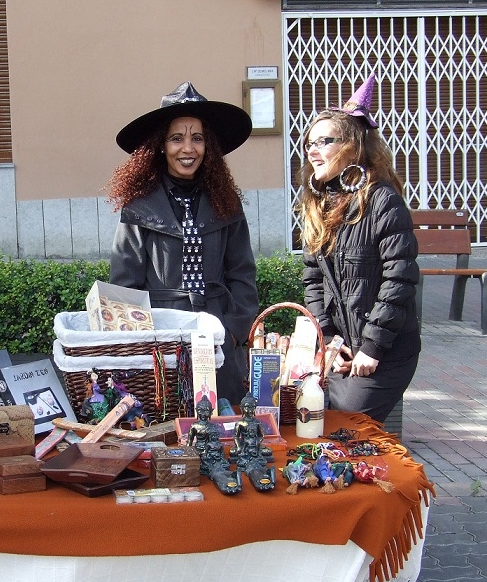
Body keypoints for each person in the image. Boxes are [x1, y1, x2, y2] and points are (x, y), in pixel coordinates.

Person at [106, 82, 260, 403]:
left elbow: (243, 276)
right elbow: (124, 284)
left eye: (197, 138)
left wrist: (231, 334)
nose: (187, 149)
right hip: (160, 337)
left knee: (220, 426)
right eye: (177, 138)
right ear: (161, 145)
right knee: (164, 426)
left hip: (216, 335)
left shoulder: (227, 203)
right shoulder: (139, 206)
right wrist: (139, 346)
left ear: (209, 146)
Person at [296, 75, 420, 423]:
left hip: (385, 352)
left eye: (324, 141)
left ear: (352, 146)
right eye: (309, 143)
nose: (312, 150)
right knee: (310, 416)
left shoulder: (383, 201)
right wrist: (331, 342)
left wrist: (372, 348)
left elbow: (400, 281)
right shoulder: (319, 204)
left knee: (348, 423)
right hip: (342, 349)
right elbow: (313, 282)